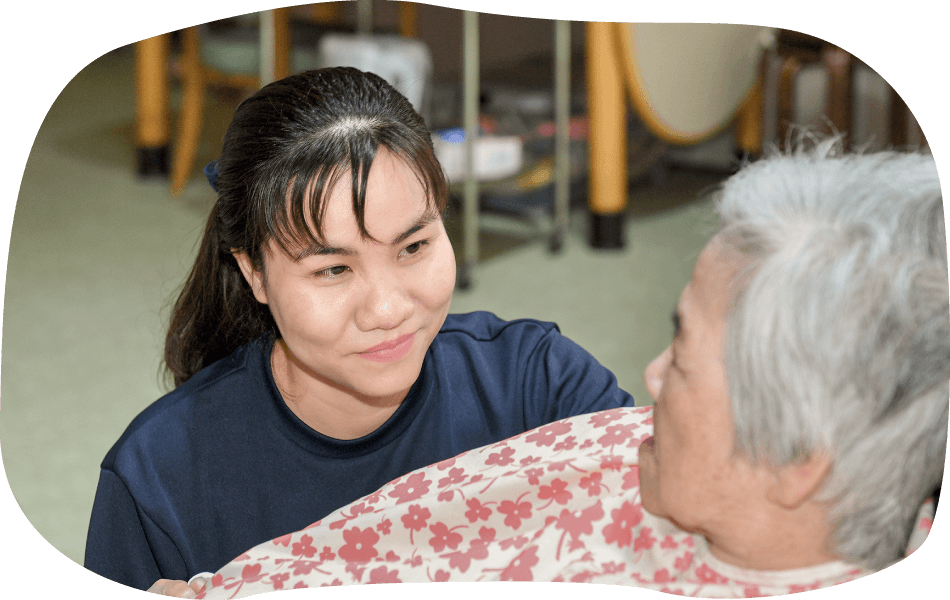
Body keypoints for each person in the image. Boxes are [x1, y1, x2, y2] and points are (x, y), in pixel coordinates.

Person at [186, 137, 943, 596]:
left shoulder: (540, 380)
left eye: (683, 360)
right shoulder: (617, 441)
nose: (649, 376)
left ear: (799, 458)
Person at [83, 67, 635, 593]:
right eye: (333, 269)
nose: (387, 310)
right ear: (254, 272)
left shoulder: (541, 389)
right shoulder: (160, 479)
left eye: (414, 246)